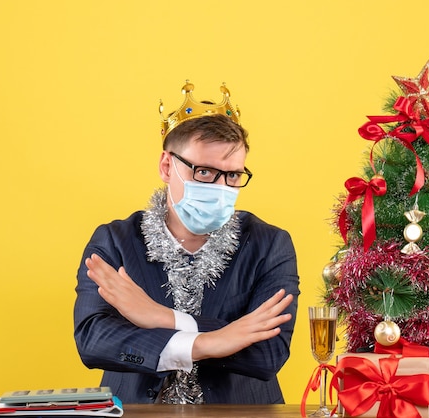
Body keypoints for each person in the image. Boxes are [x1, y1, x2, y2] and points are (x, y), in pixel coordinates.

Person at [73, 81, 300, 404]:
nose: (221, 188)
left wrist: (164, 318)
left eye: (233, 176)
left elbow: (268, 355)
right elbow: (94, 340)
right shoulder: (115, 241)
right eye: (204, 172)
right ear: (167, 166)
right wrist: (210, 341)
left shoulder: (269, 245)